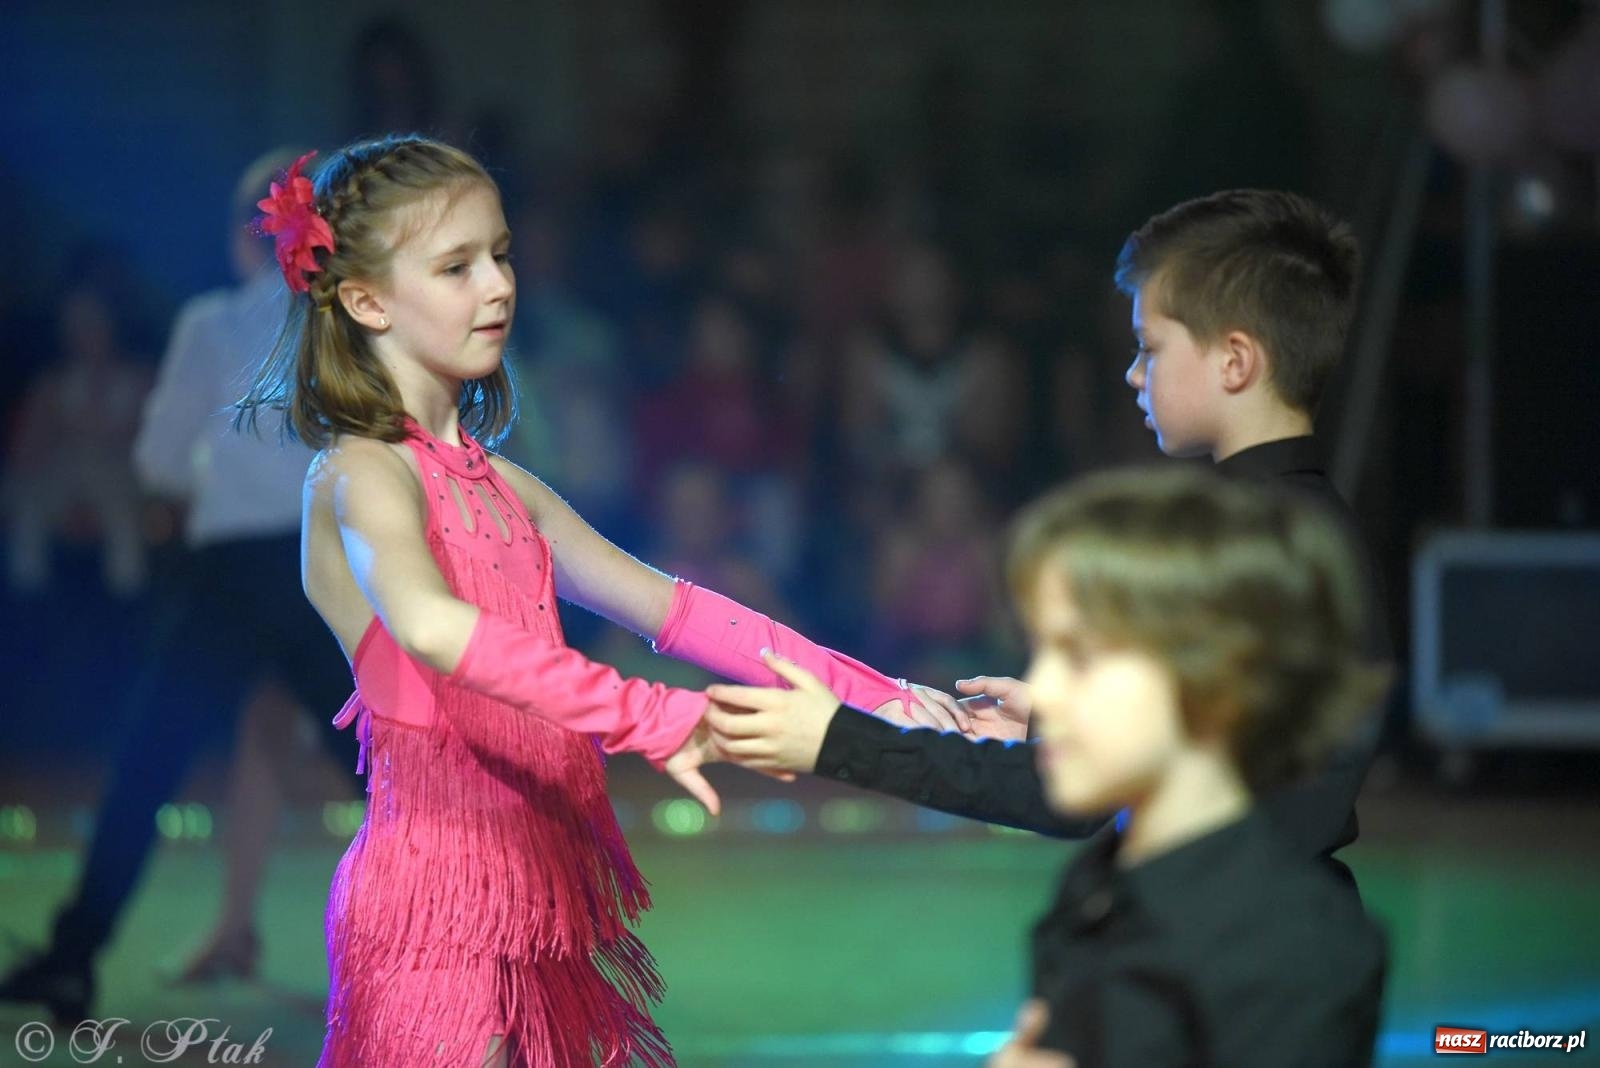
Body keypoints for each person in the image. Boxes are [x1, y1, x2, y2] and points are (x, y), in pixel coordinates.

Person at [233, 134, 957, 1067]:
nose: (497, 286)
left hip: (539, 905)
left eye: (500, 254)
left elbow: (686, 613)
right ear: (366, 299)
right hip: (430, 923)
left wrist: (889, 700)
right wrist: (646, 714)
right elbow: (428, 624)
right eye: (456, 266)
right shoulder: (361, 473)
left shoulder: (513, 490)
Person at [704, 189, 1391, 884]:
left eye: (1151, 349)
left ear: (1236, 361)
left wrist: (836, 739)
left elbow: (1074, 794)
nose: (1133, 373)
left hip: (1235, 940)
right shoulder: (1303, 528)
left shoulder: (1240, 549)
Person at [725, 467, 1390, 1066]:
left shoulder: (1299, 951)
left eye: (1081, 657)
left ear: (1211, 683)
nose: (1044, 687)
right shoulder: (1099, 888)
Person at [0, 149, 362, 1024]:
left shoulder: (211, 324)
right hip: (328, 572)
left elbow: (161, 461)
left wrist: (224, 467)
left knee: (147, 769)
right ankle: (506, 952)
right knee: (394, 773)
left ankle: (73, 958)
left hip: (234, 577)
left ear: (250, 238)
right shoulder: (353, 320)